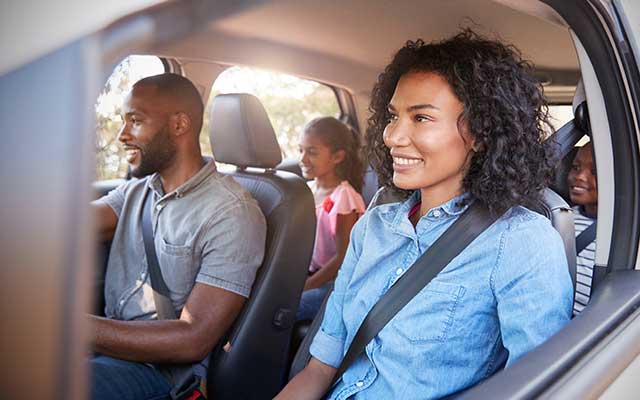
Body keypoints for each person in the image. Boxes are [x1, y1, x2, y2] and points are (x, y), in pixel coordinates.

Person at [277, 30, 573, 399]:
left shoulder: (520, 241)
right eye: (393, 116)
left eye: (421, 118)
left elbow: (538, 388)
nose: (392, 136)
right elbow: (320, 368)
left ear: (480, 134)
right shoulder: (374, 226)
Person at [90, 73, 267, 400]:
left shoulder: (232, 212)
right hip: (113, 347)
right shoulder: (138, 190)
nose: (122, 135)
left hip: (163, 373)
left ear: (180, 125)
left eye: (135, 121)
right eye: (123, 121)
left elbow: (192, 337)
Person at [296, 117, 366, 321]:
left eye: (312, 152)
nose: (303, 159)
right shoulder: (306, 190)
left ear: (337, 157)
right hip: (310, 274)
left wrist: (306, 286)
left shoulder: (344, 197)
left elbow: (343, 258)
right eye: (301, 150)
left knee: (285, 305)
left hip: (333, 284)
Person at [567, 142, 597, 315]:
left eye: (594, 171)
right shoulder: (560, 217)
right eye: (575, 167)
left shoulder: (626, 233)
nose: (580, 176)